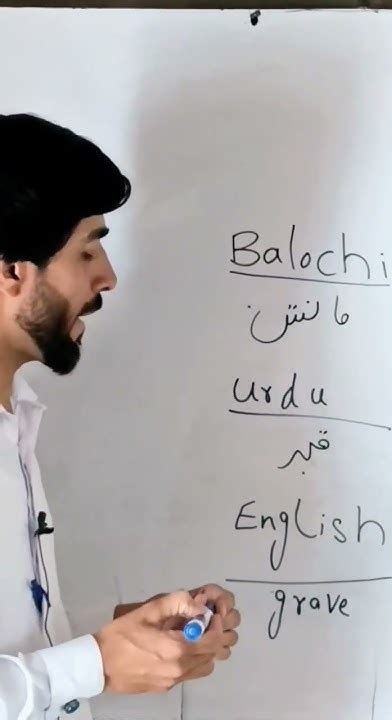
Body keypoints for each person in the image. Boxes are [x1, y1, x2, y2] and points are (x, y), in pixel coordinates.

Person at [0, 113, 240, 720]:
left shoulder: (16, 423)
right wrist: (95, 664)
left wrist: (121, 637)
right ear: (11, 271)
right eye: (87, 250)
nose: (107, 276)